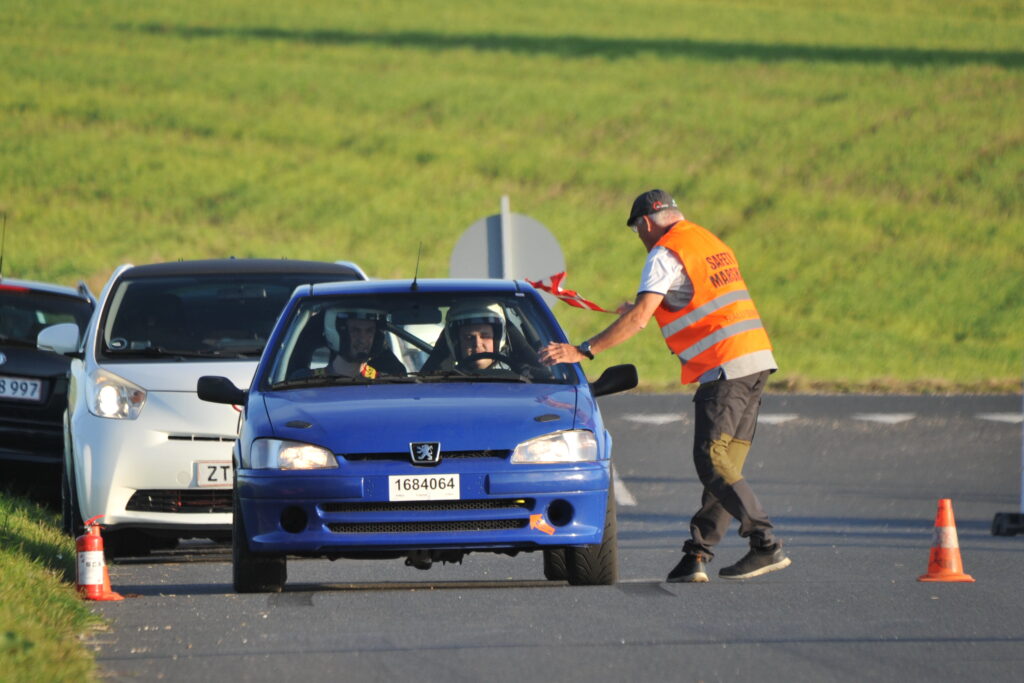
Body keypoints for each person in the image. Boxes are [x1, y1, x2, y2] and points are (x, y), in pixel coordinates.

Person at [538, 189, 790, 582]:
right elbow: (698, 297)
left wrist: (583, 350)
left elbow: (639, 319)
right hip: (756, 360)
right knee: (726, 465)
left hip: (724, 366)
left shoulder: (664, 252)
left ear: (644, 223)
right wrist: (654, 305)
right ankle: (697, 555)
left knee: (713, 460)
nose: (640, 239)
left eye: (637, 232)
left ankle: (765, 542)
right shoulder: (706, 240)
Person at [322, 307, 406, 378]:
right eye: (355, 331)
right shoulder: (312, 383)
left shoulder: (384, 384)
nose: (363, 340)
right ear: (339, 334)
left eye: (369, 331)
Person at [443, 302, 513, 371]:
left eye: (485, 337)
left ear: (497, 340)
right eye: (469, 338)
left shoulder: (517, 378)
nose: (477, 344)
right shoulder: (440, 379)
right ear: (457, 344)